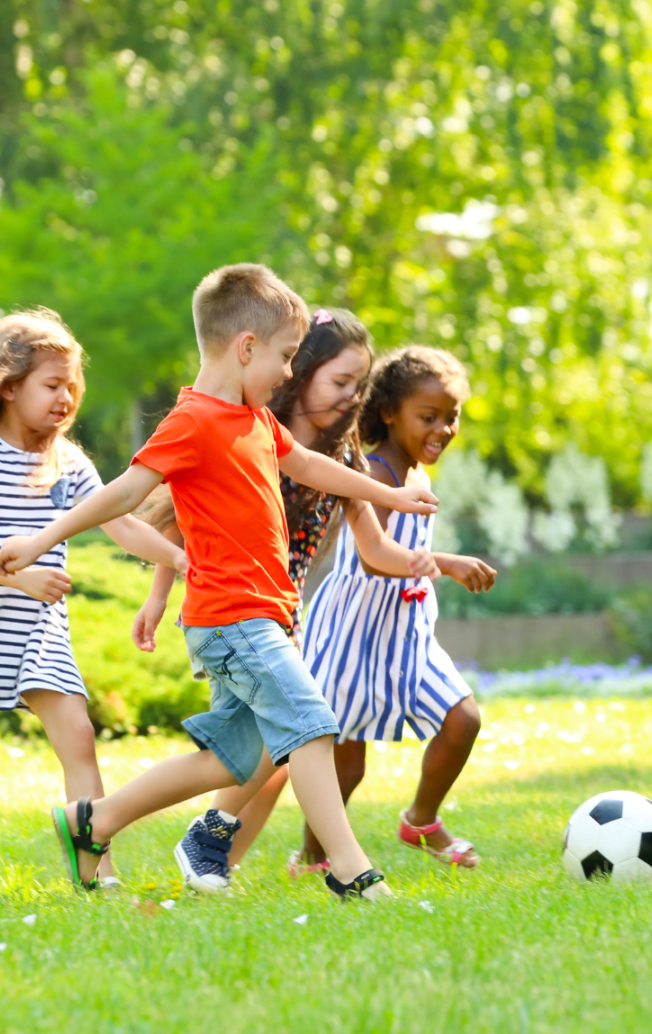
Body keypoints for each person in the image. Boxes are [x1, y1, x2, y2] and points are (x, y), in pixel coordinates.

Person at [0, 264, 438, 901]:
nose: (289, 372)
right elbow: (123, 492)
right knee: (311, 724)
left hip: (263, 615)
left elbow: (310, 464)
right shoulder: (194, 421)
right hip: (232, 619)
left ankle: (95, 821)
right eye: (285, 357)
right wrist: (40, 540)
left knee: (233, 762)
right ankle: (349, 869)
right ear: (246, 347)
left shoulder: (255, 420)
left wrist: (384, 490)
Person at [132, 308, 437, 892]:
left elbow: (374, 548)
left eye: (359, 386)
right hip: (233, 606)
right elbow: (179, 521)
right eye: (340, 382)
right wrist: (157, 594)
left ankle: (191, 847)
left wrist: (432, 560)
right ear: (303, 372)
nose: (352, 397)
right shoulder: (248, 427)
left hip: (278, 608)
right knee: (293, 738)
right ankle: (317, 867)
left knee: (261, 754)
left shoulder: (340, 457)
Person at [0, 310, 185, 894]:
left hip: (38, 630)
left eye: (72, 386)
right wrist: (20, 578)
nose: (65, 397)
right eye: (51, 385)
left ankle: (99, 872)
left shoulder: (68, 462)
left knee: (78, 737)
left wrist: (181, 560)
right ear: (9, 386)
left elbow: (121, 526)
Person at [296, 345, 496, 871]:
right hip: (352, 632)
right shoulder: (376, 474)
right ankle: (313, 855)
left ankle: (421, 821)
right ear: (389, 412)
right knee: (347, 766)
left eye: (451, 417)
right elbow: (372, 558)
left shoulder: (417, 478)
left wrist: (434, 567)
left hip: (406, 635)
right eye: (428, 417)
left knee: (463, 719)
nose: (443, 429)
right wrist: (446, 562)